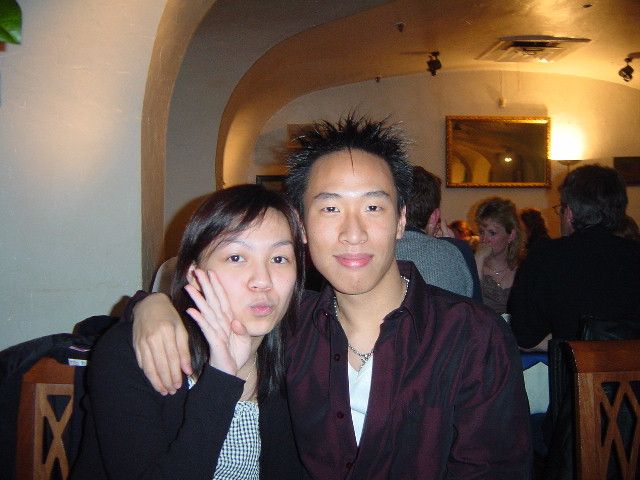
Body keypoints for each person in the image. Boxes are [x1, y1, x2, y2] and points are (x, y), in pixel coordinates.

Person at [131, 115, 532, 479]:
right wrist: (150, 305)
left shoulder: (472, 336)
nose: (352, 233)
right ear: (301, 226)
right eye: (329, 209)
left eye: (373, 206)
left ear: (401, 220)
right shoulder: (287, 325)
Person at [72, 184, 304, 479]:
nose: (263, 280)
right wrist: (221, 378)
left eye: (279, 258)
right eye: (236, 257)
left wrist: (147, 301)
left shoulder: (300, 357)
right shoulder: (136, 356)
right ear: (194, 275)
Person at [509, 164, 640, 351]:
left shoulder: (546, 256)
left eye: (560, 209)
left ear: (569, 213)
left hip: (576, 368)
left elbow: (523, 335)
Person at [395, 165, 482, 301]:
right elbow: (476, 310)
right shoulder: (458, 251)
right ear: (434, 217)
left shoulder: (374, 250)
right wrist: (452, 244)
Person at [474, 197, 523, 316]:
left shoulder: (524, 270)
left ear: (511, 235)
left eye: (492, 233)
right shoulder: (474, 265)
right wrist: (478, 260)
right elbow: (471, 308)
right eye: (481, 232)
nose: (484, 240)